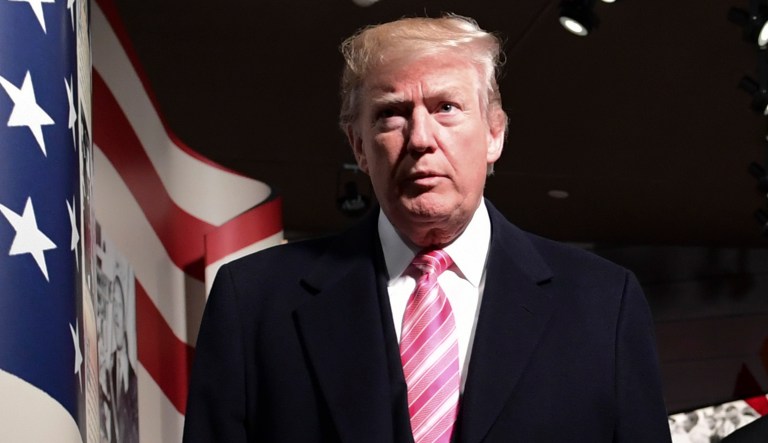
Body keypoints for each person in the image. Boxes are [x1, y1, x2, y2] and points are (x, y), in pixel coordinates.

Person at [183, 14, 672, 442]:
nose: (420, 139)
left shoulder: (603, 304)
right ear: (358, 146)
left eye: (446, 108)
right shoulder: (253, 303)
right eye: (391, 114)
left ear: (495, 133)